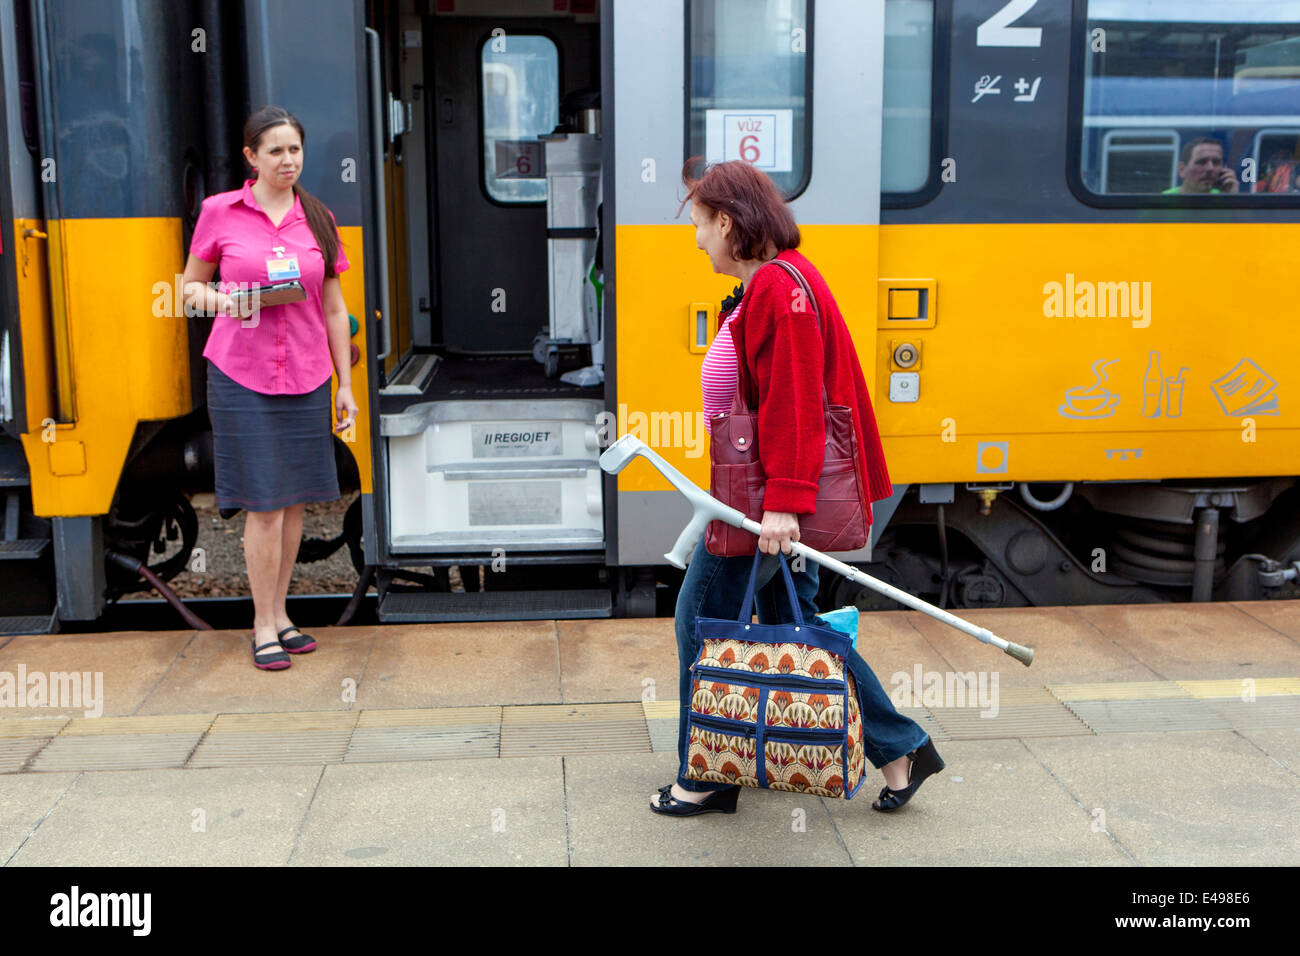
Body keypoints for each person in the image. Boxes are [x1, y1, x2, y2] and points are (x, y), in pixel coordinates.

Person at [651, 158, 944, 816]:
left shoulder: (780, 292)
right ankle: (901, 751)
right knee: (795, 628)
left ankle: (702, 777)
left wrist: (783, 503)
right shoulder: (773, 285)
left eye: (699, 225)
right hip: (755, 497)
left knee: (700, 624)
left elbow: (794, 406)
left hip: (762, 507)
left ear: (727, 222)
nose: (697, 240)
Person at [181, 106, 357, 671]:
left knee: (295, 501)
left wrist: (345, 387)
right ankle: (261, 625)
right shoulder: (220, 213)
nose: (289, 160)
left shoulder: (319, 218)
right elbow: (187, 291)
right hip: (241, 375)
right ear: (251, 157)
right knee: (264, 507)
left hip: (307, 375)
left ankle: (281, 614)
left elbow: (332, 308)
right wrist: (229, 302)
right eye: (276, 150)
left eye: (296, 150)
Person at [1163, 138, 1238, 194]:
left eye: (1216, 162)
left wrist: (1232, 200)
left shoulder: (1222, 197)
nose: (1210, 168)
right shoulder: (1164, 201)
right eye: (1201, 162)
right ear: (1182, 169)